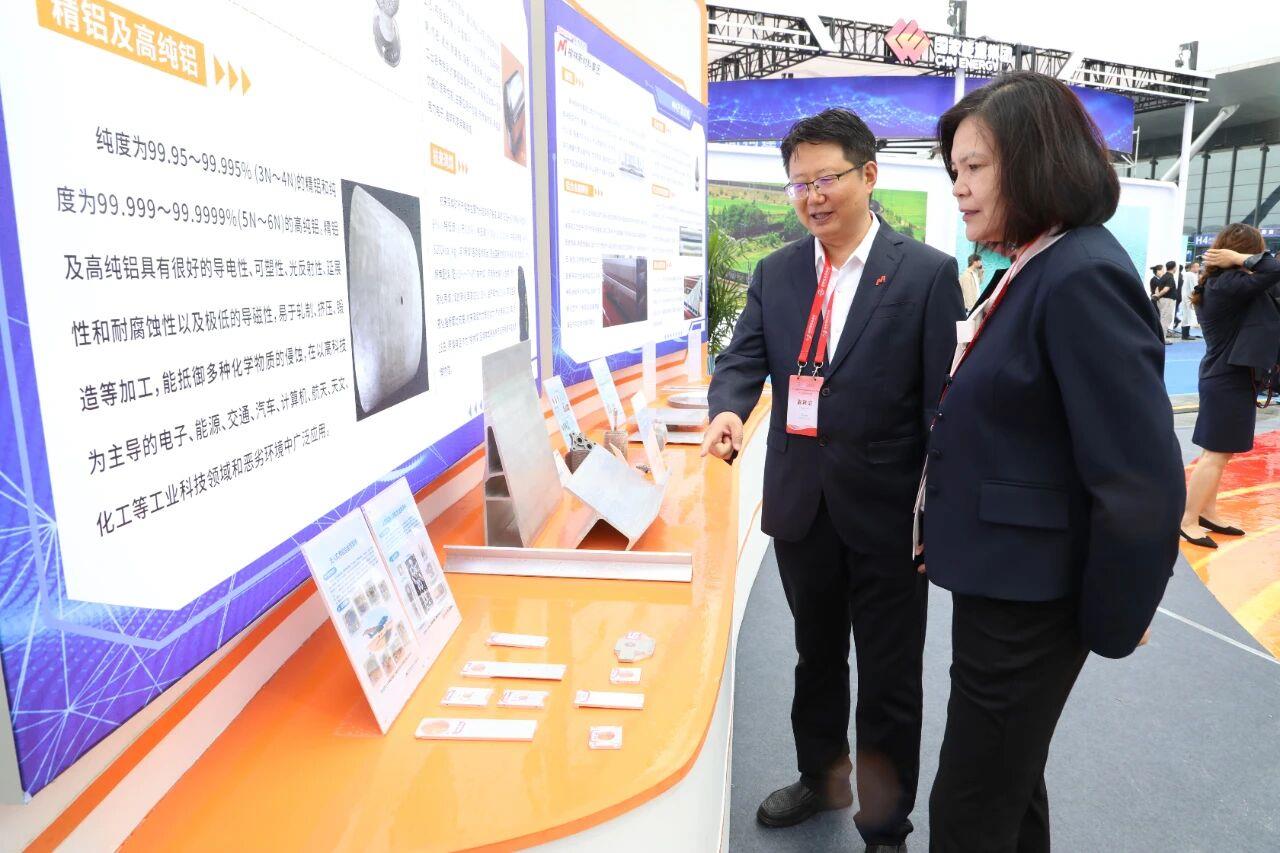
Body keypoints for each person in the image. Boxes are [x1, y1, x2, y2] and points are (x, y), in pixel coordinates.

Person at [924, 71, 1184, 851]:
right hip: (1004, 578)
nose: (960, 188)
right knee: (1010, 785)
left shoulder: (1081, 274)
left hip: (1032, 601)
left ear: (1037, 161)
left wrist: (1119, 609)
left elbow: (1137, 476)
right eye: (955, 170)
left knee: (970, 805)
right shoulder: (1038, 263)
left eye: (975, 167)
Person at [703, 108, 963, 853]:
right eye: (799, 184)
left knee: (888, 676)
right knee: (815, 656)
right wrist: (729, 409)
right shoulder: (777, 272)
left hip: (887, 513)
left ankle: (884, 824)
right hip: (801, 504)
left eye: (827, 179)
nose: (812, 196)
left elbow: (941, 405)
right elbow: (743, 358)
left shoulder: (925, 273)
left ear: (868, 175)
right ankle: (821, 777)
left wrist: (935, 516)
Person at [1179, 224, 1280, 547]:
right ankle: (1188, 520)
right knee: (1215, 454)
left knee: (1221, 453)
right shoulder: (1229, 283)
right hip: (1226, 379)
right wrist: (1240, 258)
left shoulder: (1225, 283)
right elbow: (1274, 268)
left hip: (1227, 377)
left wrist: (1239, 260)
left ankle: (1206, 511)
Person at [1180, 259, 1201, 339]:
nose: (1197, 268)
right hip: (1190, 297)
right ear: (1192, 267)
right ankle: (1186, 335)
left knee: (1186, 316)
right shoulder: (1192, 275)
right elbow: (1195, 288)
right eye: (1196, 267)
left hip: (1185, 297)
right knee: (1189, 316)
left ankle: (1185, 334)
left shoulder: (1186, 274)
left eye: (1198, 267)